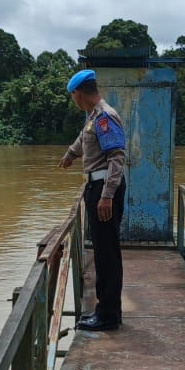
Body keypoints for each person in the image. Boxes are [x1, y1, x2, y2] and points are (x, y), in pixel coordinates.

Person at [58, 69, 126, 331]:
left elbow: (116, 158)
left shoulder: (105, 117)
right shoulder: (93, 118)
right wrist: (70, 155)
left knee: (107, 253)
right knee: (102, 251)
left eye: (72, 96)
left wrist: (107, 195)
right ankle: (105, 309)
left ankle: (108, 316)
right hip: (96, 187)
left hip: (104, 189)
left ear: (77, 93)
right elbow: (82, 141)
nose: (73, 100)